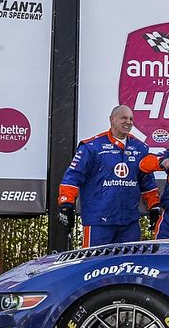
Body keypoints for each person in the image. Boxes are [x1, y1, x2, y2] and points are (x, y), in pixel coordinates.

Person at [57, 105, 161, 247]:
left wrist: (154, 206)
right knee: (94, 266)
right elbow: (73, 177)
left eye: (131, 119)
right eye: (124, 118)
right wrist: (66, 204)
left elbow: (147, 181)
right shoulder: (92, 146)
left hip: (129, 223)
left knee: (129, 266)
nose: (128, 122)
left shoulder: (140, 148)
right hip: (98, 222)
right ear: (112, 120)